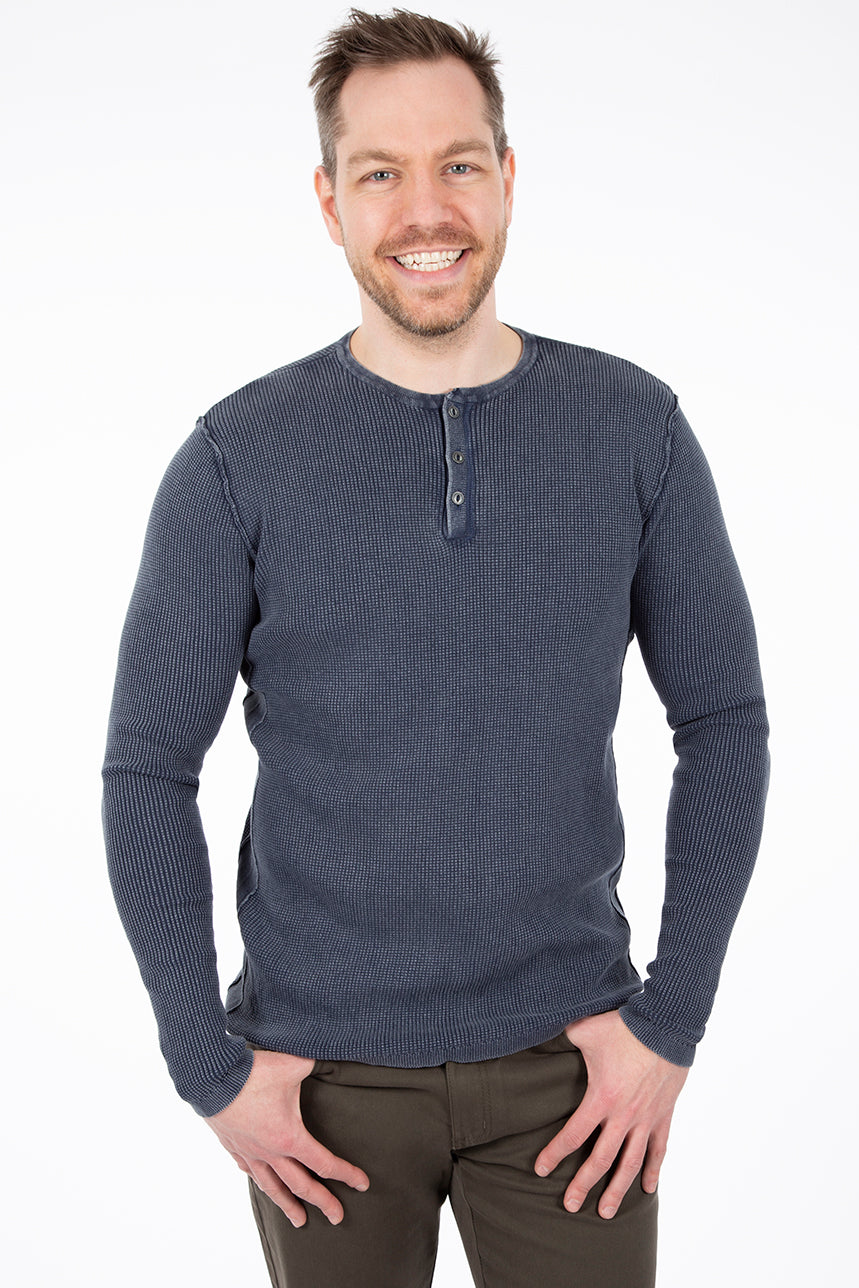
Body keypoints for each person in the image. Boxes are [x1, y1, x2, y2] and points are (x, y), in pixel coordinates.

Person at [102, 9, 770, 1287]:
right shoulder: (236, 458)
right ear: (329, 201)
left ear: (507, 177)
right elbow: (147, 770)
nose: (426, 211)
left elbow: (723, 721)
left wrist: (670, 1023)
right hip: (320, 1090)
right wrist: (206, 1064)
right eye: (380, 173)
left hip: (574, 1077)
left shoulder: (633, 428)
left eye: (459, 163)